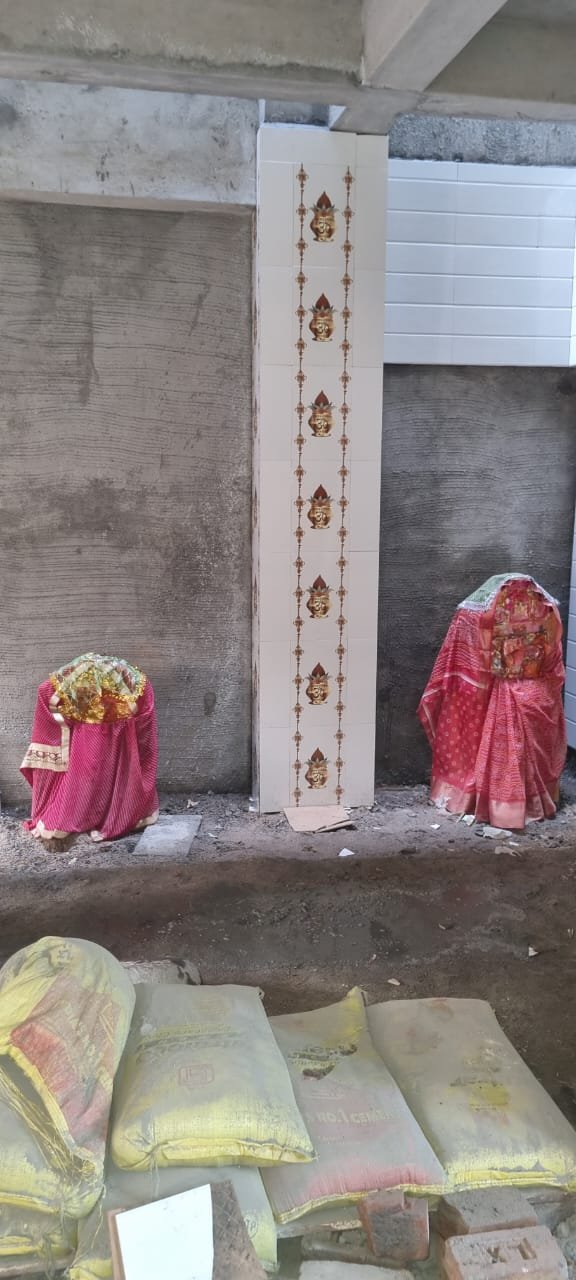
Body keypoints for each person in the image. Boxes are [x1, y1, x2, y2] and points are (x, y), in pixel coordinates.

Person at [418, 575, 567, 830]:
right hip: (537, 691)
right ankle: (532, 801)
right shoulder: (547, 610)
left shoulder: (472, 614)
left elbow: (466, 659)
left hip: (493, 689)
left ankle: (494, 804)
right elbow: (554, 663)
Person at [21, 653, 159, 841]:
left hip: (96, 703)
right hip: (124, 698)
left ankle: (89, 811)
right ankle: (118, 810)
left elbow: (47, 695)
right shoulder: (141, 687)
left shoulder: (53, 691)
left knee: (91, 759)